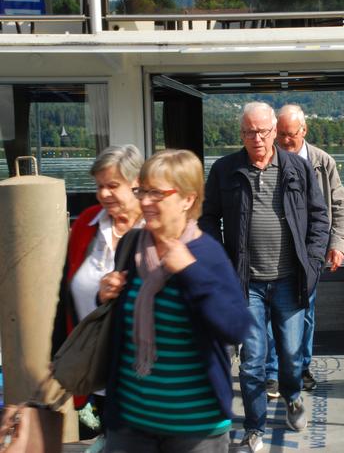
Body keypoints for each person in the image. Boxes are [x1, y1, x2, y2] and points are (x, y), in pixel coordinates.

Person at [98, 149, 250, 453]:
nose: (145, 201)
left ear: (187, 199)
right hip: (130, 424)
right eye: (142, 191)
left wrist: (191, 272)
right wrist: (104, 294)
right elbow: (120, 323)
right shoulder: (131, 246)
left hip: (195, 430)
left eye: (157, 193)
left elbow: (237, 327)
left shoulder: (206, 254)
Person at [199, 102, 329, 452]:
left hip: (290, 279)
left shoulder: (298, 168)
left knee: (290, 353)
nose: (256, 138)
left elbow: (320, 217)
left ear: (274, 131)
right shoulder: (225, 169)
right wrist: (220, 262)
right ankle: (253, 428)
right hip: (246, 284)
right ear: (240, 133)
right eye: (248, 132)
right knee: (253, 361)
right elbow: (207, 218)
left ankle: (292, 395)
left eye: (262, 131)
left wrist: (313, 261)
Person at [51, 144, 145, 445]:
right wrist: (57, 354)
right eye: (99, 186)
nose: (103, 194)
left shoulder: (154, 227)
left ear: (136, 182)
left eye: (112, 186)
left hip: (143, 375)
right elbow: (64, 295)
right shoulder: (87, 223)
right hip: (98, 372)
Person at [264, 104, 344, 397]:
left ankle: (301, 368)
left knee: (306, 313)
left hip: (308, 253)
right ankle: (272, 373)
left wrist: (337, 244)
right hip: (272, 252)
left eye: (291, 134)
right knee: (270, 315)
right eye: (281, 134)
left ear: (304, 131)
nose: (285, 140)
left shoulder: (322, 162)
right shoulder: (265, 160)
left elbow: (340, 205)